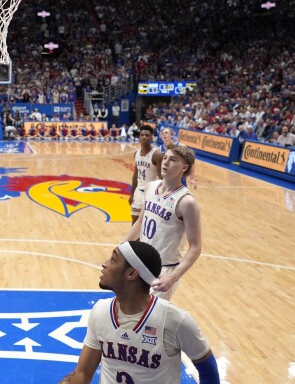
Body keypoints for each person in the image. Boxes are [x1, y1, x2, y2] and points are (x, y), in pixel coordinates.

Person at [58, 241, 220, 384]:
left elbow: (209, 372)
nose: (104, 264)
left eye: (113, 259)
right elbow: (83, 373)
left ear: (132, 273)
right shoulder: (100, 311)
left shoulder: (175, 320)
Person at [124, 144, 201, 300]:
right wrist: (120, 251)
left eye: (172, 160)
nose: (165, 163)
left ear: (184, 168)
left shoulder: (187, 202)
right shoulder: (151, 187)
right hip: (141, 264)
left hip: (164, 271)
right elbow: (140, 223)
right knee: (130, 315)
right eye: (165, 158)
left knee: (149, 321)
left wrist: (172, 278)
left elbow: (196, 247)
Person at [129, 125, 162, 224]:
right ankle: (135, 240)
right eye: (142, 135)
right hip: (138, 192)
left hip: (151, 193)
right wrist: (132, 194)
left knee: (148, 224)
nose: (144, 137)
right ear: (139, 137)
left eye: (147, 135)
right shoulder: (136, 153)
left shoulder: (157, 154)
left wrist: (161, 197)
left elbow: (162, 178)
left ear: (151, 137)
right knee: (134, 222)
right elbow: (135, 174)